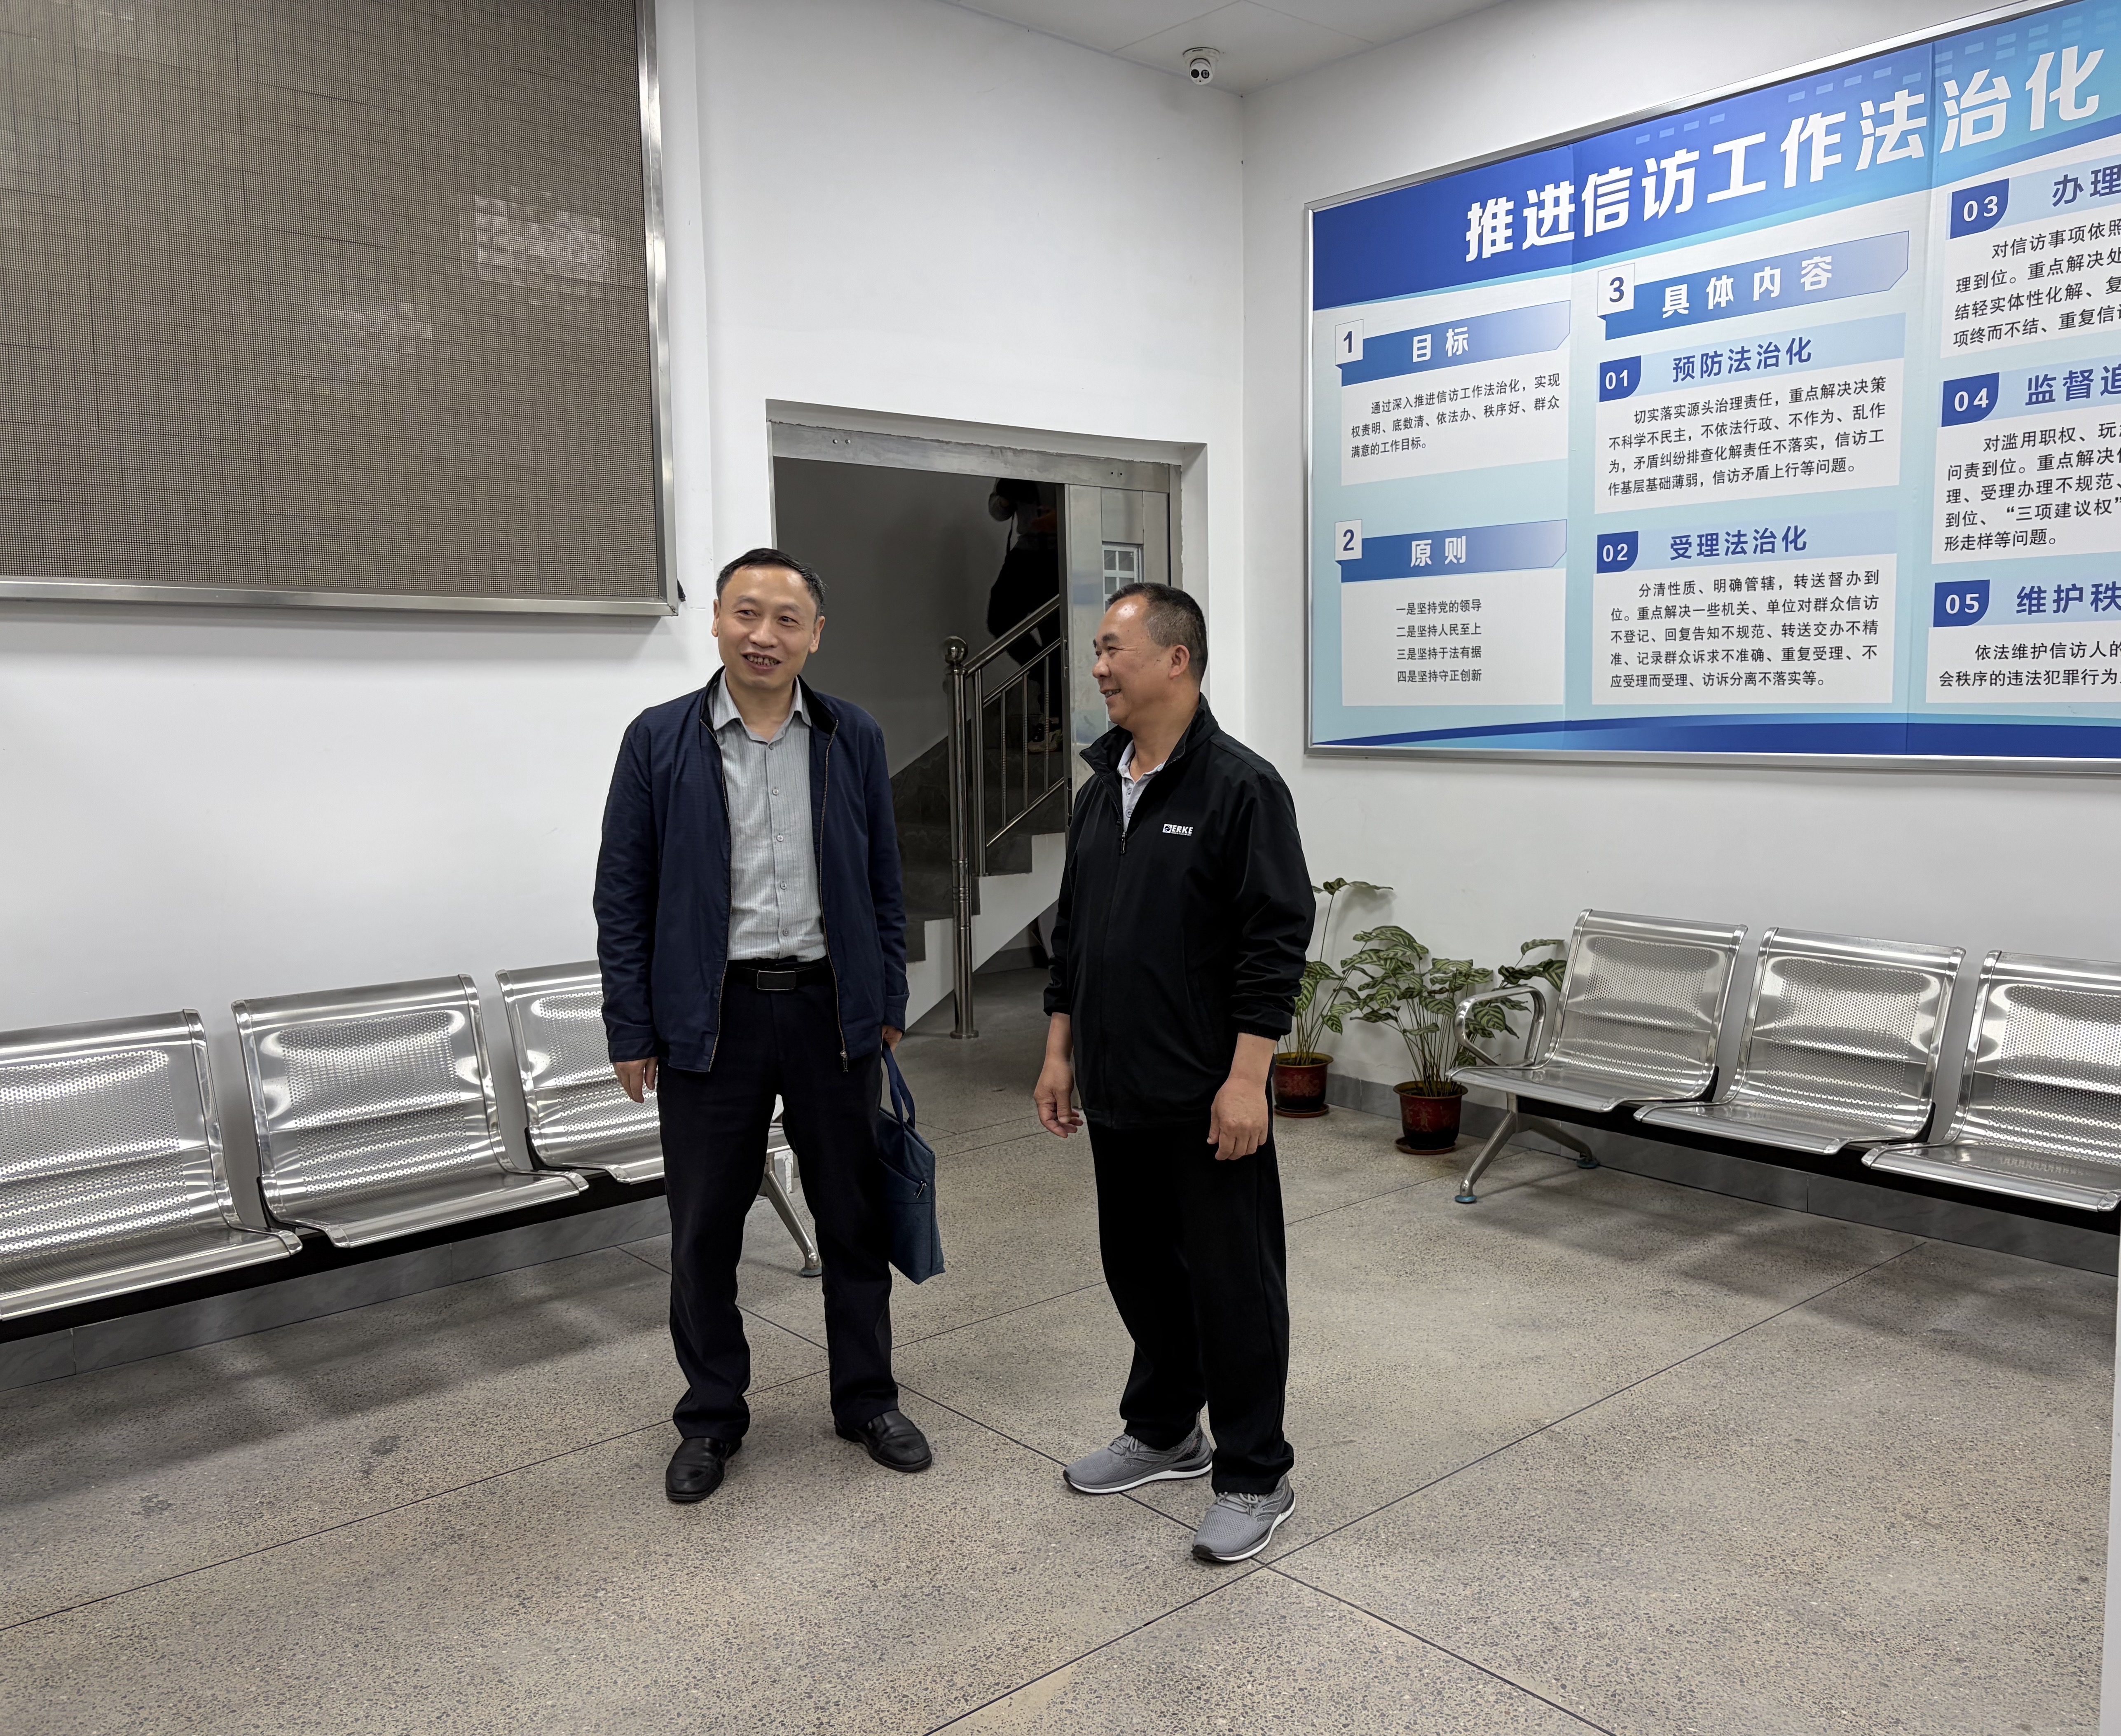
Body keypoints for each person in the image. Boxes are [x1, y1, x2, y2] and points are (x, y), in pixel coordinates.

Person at [595, 546, 932, 1504]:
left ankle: (866, 1398)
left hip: (830, 1011)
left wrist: (887, 1000)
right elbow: (623, 892)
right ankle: (711, 1414)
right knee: (704, 1230)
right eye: (747, 613)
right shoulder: (658, 739)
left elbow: (884, 880)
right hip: (712, 1017)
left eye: (787, 619)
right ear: (715, 620)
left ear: (815, 635)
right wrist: (630, 1025)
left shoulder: (850, 735)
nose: (764, 635)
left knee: (852, 1219)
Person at [1032, 582, 1312, 1564]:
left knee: (1233, 1285)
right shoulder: (1099, 788)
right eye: (1098, 650)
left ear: (1176, 659)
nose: (1098, 667)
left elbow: (1274, 941)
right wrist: (1060, 1051)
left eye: (1114, 648)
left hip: (1205, 1090)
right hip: (1117, 1084)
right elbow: (1073, 935)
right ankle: (1163, 1431)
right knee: (1139, 1270)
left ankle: (1255, 1471)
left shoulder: (1240, 787)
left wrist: (1247, 1079)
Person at [985, 478, 1063, 749]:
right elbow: (997, 510)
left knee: (1054, 634)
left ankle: (1055, 720)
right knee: (1000, 620)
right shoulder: (1017, 460)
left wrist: (1061, 517)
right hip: (1027, 550)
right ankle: (1045, 674)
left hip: (1062, 550)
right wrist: (1006, 498)